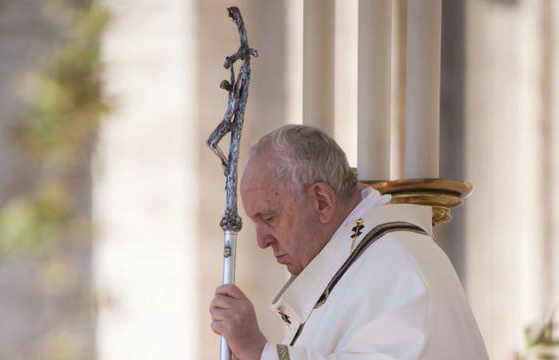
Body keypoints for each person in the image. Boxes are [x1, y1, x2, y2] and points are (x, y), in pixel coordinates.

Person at [209, 125, 489, 360]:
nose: (261, 241)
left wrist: (261, 353)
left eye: (269, 217)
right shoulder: (362, 264)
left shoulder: (396, 265)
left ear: (321, 201)